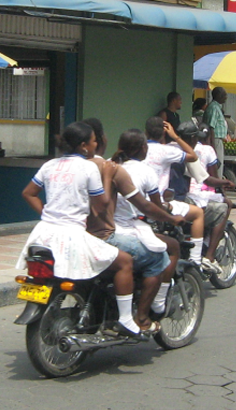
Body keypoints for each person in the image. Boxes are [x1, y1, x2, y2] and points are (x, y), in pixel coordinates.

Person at [17, 122, 140, 337]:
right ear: (84, 146)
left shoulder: (50, 165)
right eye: (94, 141)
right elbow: (101, 204)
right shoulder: (88, 167)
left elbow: (28, 193)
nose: (95, 145)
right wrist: (109, 179)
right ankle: (127, 319)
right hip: (71, 236)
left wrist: (48, 213)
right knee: (125, 262)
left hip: (42, 233)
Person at [85, 123, 185, 334]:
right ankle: (143, 315)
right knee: (159, 257)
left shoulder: (95, 166)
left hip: (81, 232)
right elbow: (148, 206)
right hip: (117, 230)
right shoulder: (120, 170)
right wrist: (170, 217)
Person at [144, 117, 209, 269]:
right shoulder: (167, 151)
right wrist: (176, 138)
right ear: (164, 133)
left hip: (137, 203)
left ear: (146, 132)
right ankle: (195, 260)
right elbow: (192, 156)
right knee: (198, 213)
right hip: (159, 203)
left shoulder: (138, 151)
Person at [177, 122, 235, 272]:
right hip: (189, 198)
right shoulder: (190, 154)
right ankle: (207, 256)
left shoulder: (170, 149)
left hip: (170, 199)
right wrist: (226, 183)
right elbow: (208, 179)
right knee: (223, 206)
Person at [203, 87, 229, 177]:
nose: (226, 97)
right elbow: (211, 127)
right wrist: (213, 145)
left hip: (218, 140)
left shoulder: (217, 107)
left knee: (218, 165)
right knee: (217, 166)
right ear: (218, 96)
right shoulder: (213, 107)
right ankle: (217, 186)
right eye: (224, 95)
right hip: (215, 140)